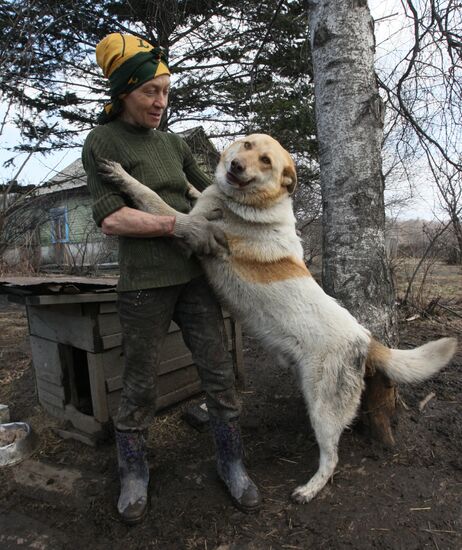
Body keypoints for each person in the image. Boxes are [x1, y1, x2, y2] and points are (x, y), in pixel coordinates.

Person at [82, 33, 261, 524]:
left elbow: (213, 191)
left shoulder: (175, 143)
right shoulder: (102, 142)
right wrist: (175, 224)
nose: (161, 102)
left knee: (219, 373)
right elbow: (112, 219)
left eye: (165, 91)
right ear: (124, 93)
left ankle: (232, 463)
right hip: (144, 284)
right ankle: (134, 473)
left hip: (197, 275)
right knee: (139, 384)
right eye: (149, 92)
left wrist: (258, 191)